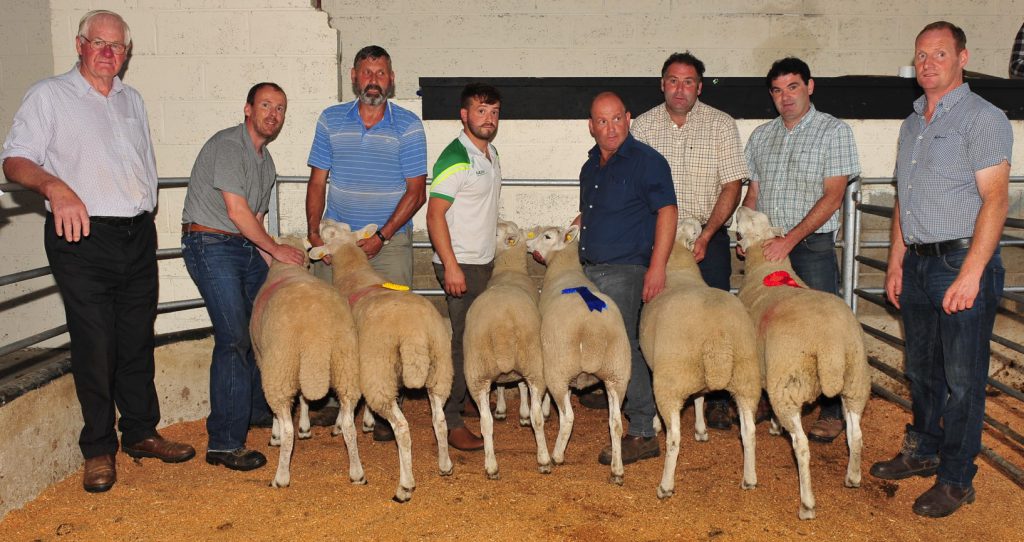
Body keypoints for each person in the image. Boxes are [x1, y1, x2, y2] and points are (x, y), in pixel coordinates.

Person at [1, 10, 195, 493]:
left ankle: (141, 432)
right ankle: (98, 449)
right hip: (81, 235)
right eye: (99, 43)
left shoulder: (133, 99)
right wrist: (55, 187)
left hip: (136, 233)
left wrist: (144, 211)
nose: (109, 53)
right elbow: (15, 160)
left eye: (118, 46)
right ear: (80, 45)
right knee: (96, 344)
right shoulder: (49, 95)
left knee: (136, 338)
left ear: (126, 53)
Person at [871, 21, 1012, 518]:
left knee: (963, 378)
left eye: (940, 54)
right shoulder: (912, 123)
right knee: (921, 369)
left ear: (962, 58)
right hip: (916, 262)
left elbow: (996, 200)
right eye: (921, 55)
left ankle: (956, 478)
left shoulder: (983, 118)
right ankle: (924, 449)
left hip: (960, 261)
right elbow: (903, 199)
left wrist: (972, 273)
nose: (928, 63)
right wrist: (895, 260)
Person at [305, 45, 427, 441]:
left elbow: (416, 192)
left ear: (391, 80)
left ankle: (387, 403)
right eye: (367, 72)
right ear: (354, 77)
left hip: (388, 245)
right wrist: (314, 233)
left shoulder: (408, 125)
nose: (374, 80)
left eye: (381, 73)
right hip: (339, 243)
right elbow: (318, 181)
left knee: (391, 321)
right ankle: (333, 399)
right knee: (333, 318)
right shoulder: (330, 120)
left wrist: (382, 236)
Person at [180, 82, 304, 471]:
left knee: (258, 326)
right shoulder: (229, 145)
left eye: (280, 108)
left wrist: (280, 269)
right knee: (233, 336)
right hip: (210, 242)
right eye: (266, 105)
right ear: (248, 109)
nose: (273, 114)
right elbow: (236, 211)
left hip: (245, 246)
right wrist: (277, 249)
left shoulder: (266, 164)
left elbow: (258, 220)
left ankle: (255, 409)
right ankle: (224, 443)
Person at [741, 57, 861, 443]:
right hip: (767, 251)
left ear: (810, 86)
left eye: (793, 87)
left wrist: (789, 240)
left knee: (824, 326)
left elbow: (834, 195)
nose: (785, 97)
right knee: (767, 324)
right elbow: (753, 193)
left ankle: (832, 410)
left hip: (810, 247)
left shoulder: (834, 131)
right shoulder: (761, 136)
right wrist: (744, 235)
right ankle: (769, 394)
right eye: (777, 90)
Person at [630, 51, 749, 429]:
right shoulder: (643, 127)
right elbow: (633, 186)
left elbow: (732, 184)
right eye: (673, 81)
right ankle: (654, 393)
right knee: (652, 314)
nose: (680, 89)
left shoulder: (720, 125)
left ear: (699, 87)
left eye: (688, 82)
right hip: (656, 239)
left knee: (714, 315)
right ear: (662, 84)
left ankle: (717, 397)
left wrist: (710, 233)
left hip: (705, 234)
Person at [577, 92, 677, 465]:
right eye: (602, 121)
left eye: (617, 118)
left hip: (626, 270)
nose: (611, 128)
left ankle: (643, 431)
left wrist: (657, 266)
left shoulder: (647, 162)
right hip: (590, 269)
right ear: (591, 126)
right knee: (602, 340)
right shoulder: (590, 166)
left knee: (625, 344)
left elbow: (667, 211)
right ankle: (613, 397)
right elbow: (592, 212)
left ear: (628, 118)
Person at [426, 83, 503, 451]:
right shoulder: (455, 158)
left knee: (474, 337)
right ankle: (451, 419)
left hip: (481, 261)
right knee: (460, 342)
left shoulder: (490, 153)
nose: (488, 119)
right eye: (481, 111)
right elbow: (434, 215)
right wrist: (451, 266)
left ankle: (468, 397)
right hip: (461, 264)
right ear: (464, 115)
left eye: (494, 112)